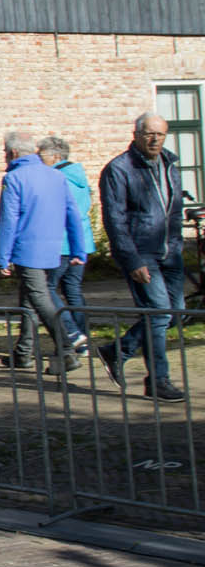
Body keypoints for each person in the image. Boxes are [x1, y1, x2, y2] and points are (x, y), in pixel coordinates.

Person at [98, 112, 190, 403]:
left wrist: (176, 244)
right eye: (149, 134)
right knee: (159, 313)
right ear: (136, 135)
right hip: (141, 252)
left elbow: (174, 210)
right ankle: (159, 381)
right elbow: (115, 220)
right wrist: (132, 260)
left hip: (170, 251)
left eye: (160, 134)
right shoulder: (119, 169)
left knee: (177, 312)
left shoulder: (170, 164)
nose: (155, 140)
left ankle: (117, 351)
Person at [0, 130, 88, 375]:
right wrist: (79, 249)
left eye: (5, 152)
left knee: (39, 298)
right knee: (28, 297)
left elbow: (9, 221)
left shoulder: (14, 178)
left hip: (27, 251)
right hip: (54, 249)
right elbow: (73, 214)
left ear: (13, 152)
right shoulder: (55, 175)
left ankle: (67, 350)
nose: (5, 156)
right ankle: (23, 352)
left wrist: (2, 257)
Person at [39, 135, 93, 352]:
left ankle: (72, 333)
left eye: (41, 155)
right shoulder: (79, 176)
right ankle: (83, 342)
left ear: (55, 156)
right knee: (73, 290)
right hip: (82, 242)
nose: (38, 159)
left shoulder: (55, 178)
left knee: (47, 288)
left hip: (60, 243)